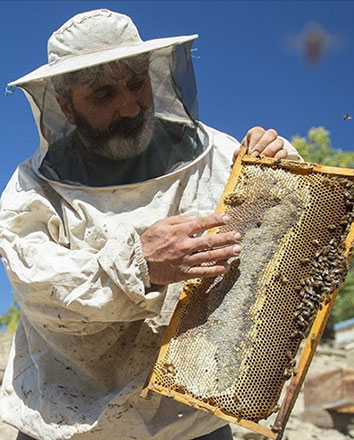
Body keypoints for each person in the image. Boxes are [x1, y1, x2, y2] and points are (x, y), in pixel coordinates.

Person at [0, 9, 302, 440]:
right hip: (68, 420)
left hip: (192, 420)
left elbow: (278, 238)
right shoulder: (31, 189)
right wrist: (138, 263)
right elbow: (39, 286)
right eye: (103, 93)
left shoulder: (216, 153)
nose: (129, 105)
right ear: (65, 105)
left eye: (136, 82)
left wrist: (276, 169)